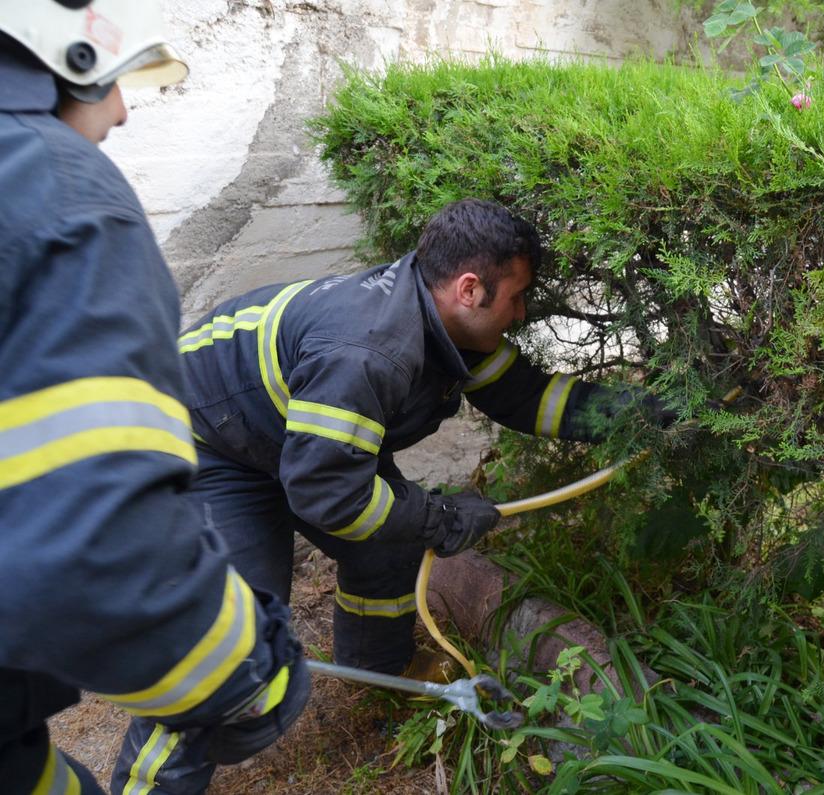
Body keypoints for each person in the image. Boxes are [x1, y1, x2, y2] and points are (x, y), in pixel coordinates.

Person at [0, 3, 310, 795]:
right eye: (112, 82)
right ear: (62, 59)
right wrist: (244, 679)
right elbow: (99, 544)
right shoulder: (59, 191)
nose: (125, 108)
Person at [173, 198, 675, 683]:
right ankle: (152, 769)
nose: (520, 313)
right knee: (238, 644)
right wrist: (440, 518)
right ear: (470, 289)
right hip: (208, 443)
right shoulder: (368, 353)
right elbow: (328, 492)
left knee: (389, 540)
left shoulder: (444, 321)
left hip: (283, 436)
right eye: (516, 296)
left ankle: (379, 673)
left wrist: (641, 414)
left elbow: (527, 398)